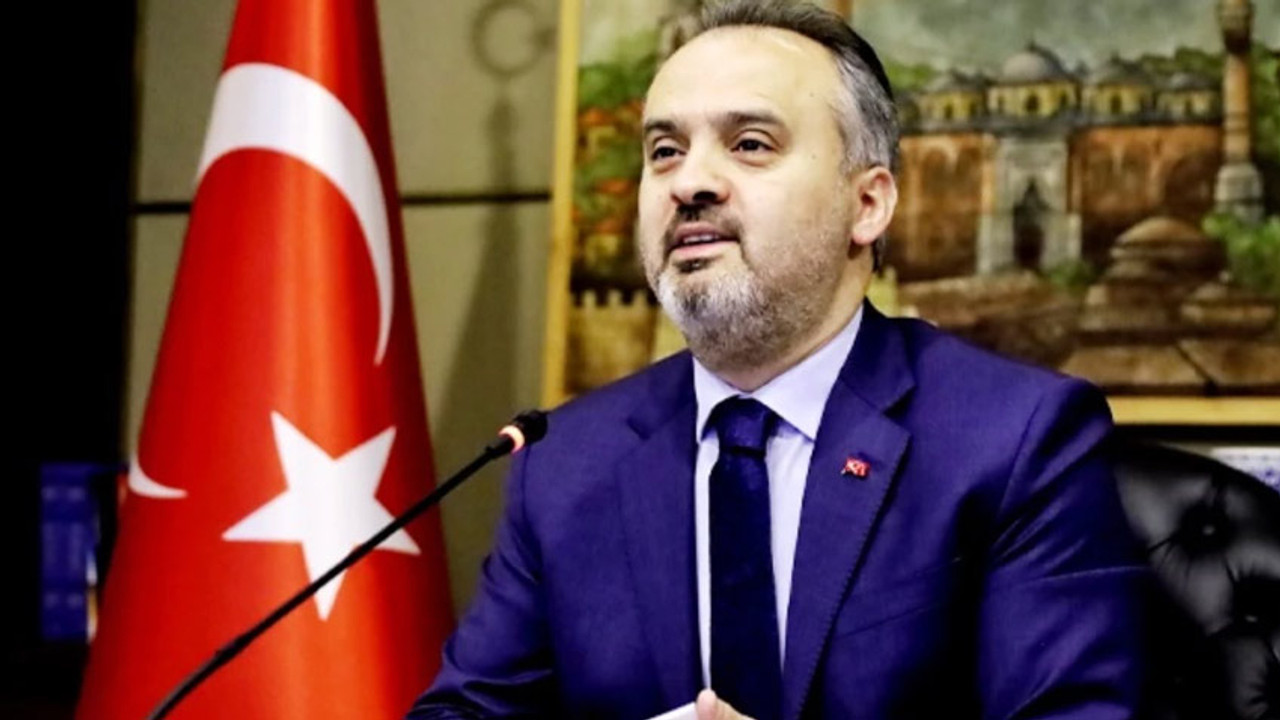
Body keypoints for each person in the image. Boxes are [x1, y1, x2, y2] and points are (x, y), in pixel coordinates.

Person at [408, 1, 1148, 718]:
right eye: (664, 152)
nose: (689, 183)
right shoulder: (565, 464)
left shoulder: (1015, 440)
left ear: (868, 205)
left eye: (751, 144)